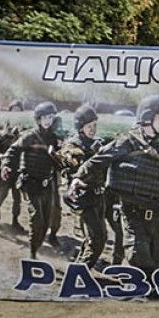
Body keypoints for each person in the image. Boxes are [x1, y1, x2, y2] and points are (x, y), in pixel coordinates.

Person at [71, 95, 159, 275]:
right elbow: (98, 160)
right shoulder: (126, 142)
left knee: (154, 271)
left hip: (158, 220)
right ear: (148, 117)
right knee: (140, 265)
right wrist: (78, 178)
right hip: (133, 216)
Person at [1, 102, 61, 259]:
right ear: (38, 119)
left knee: (46, 221)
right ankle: (32, 254)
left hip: (47, 183)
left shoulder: (53, 138)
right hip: (31, 183)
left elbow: (58, 161)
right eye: (44, 117)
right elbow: (13, 151)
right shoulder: (30, 136)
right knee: (37, 218)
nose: (48, 120)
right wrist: (6, 166)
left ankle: (37, 246)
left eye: (51, 117)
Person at [58, 106, 109, 269]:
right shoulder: (73, 145)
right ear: (80, 127)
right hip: (82, 197)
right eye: (89, 126)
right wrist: (91, 155)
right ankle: (81, 271)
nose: (93, 129)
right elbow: (73, 162)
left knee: (96, 237)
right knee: (98, 238)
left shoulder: (97, 143)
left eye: (95, 125)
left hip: (98, 196)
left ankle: (78, 266)